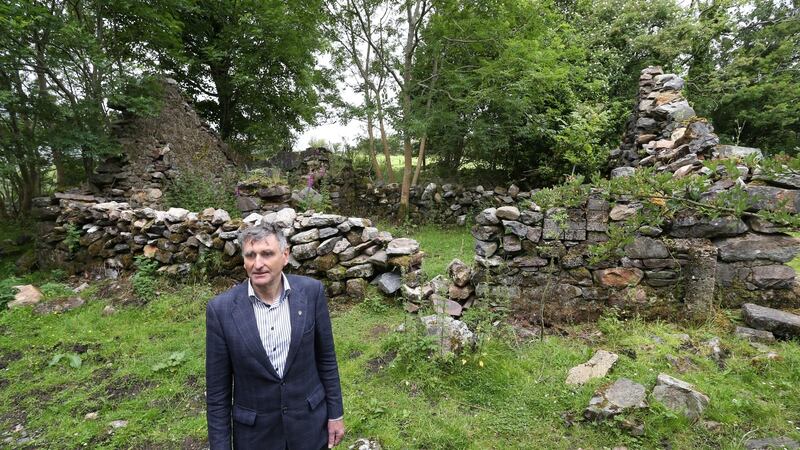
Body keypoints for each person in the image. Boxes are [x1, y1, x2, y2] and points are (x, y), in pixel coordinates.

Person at [205, 222, 345, 450]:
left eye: (267, 254)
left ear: (285, 255)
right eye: (251, 255)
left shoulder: (312, 293)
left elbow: (326, 359)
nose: (257, 264)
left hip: (309, 427)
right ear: (243, 260)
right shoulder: (221, 311)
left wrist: (335, 414)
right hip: (256, 437)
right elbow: (218, 393)